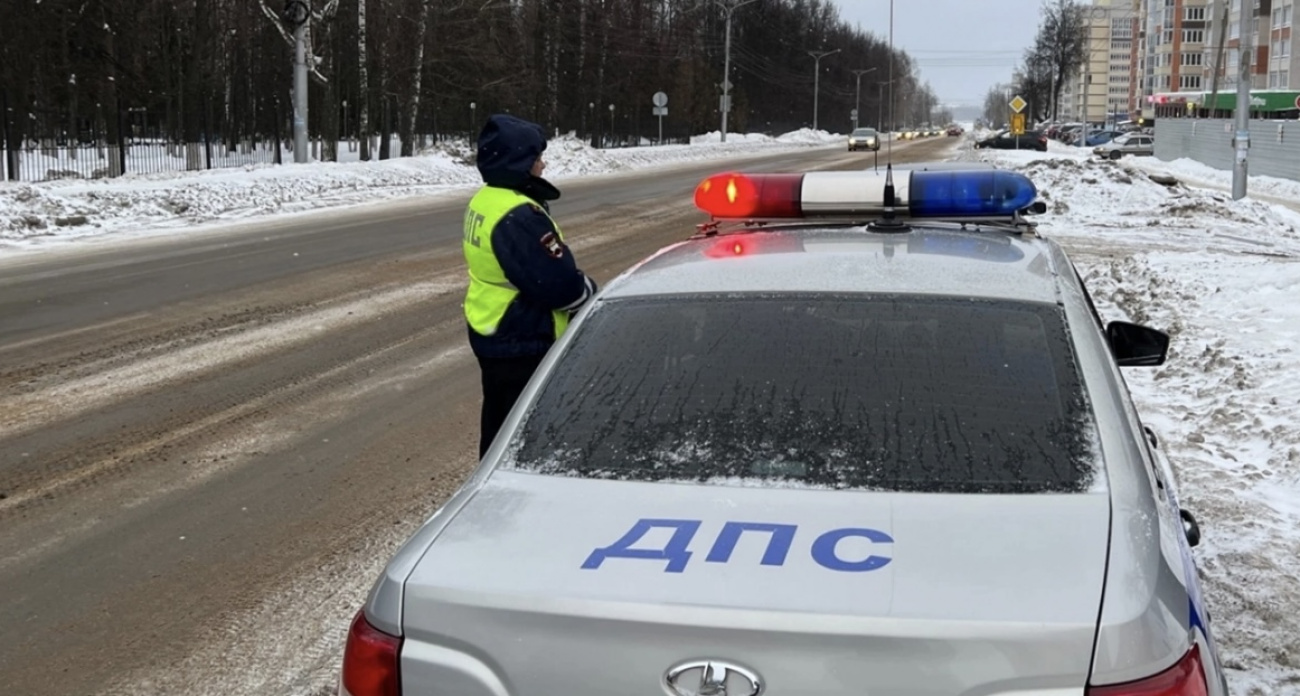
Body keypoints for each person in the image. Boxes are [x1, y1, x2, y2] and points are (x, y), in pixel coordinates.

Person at [462, 114, 597, 458]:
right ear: (519, 162)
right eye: (536, 157)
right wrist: (588, 292)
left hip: (493, 327)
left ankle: (490, 483)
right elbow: (560, 287)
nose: (542, 164)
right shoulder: (518, 215)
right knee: (524, 437)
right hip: (521, 338)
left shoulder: (487, 199)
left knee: (499, 424)